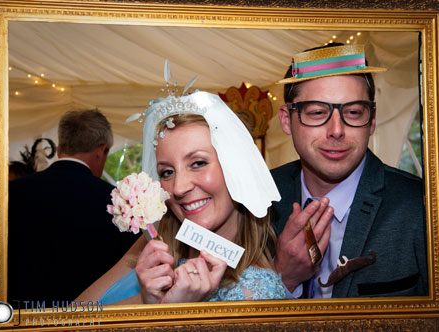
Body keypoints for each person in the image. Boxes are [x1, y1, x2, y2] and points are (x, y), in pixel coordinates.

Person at [76, 90, 286, 304]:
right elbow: (72, 317)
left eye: (198, 163)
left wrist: (169, 311)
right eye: (167, 172)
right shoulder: (155, 243)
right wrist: (149, 302)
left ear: (237, 170)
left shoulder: (256, 295)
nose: (178, 188)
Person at [272, 43, 428, 298]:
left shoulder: (421, 207)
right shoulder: (255, 202)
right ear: (287, 120)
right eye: (317, 112)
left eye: (354, 112)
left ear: (372, 120)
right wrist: (285, 278)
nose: (336, 130)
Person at [8, 109, 138, 304]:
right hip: (89, 319)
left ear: (60, 148)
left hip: (15, 316)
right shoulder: (119, 203)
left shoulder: (10, 193)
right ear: (101, 151)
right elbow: (129, 270)